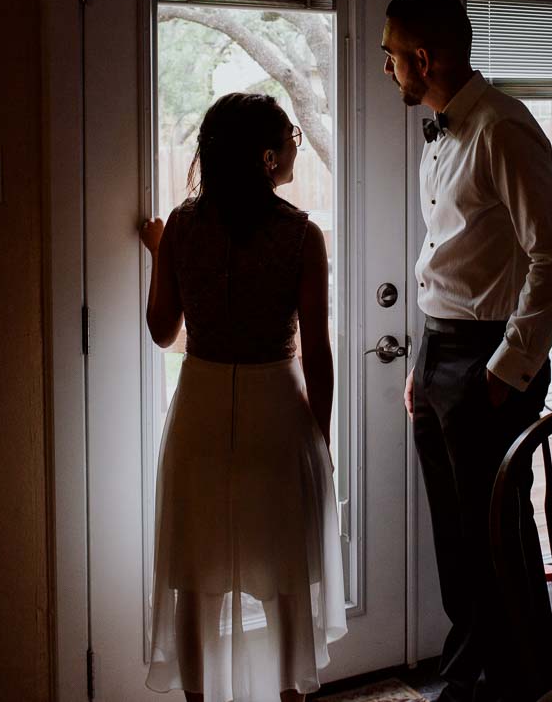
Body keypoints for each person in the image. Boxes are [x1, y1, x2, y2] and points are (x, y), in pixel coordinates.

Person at [382, 0, 552, 702]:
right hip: (439, 354)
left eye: (391, 56)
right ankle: (469, 675)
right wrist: (418, 364)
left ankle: (525, 685)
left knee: (498, 537)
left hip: (489, 359)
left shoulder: (502, 127)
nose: (388, 68)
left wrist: (506, 370)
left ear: (423, 58)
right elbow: (446, 259)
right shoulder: (441, 132)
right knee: (456, 538)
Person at [139, 92, 346, 702]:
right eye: (291, 139)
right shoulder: (300, 236)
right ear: (265, 156)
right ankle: (289, 695)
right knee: (285, 573)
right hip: (275, 411)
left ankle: (198, 700)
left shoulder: (181, 227)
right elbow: (317, 349)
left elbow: (162, 331)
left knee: (193, 573)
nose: (294, 149)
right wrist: (322, 437)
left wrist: (162, 259)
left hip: (201, 405)